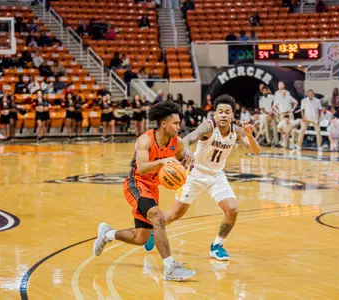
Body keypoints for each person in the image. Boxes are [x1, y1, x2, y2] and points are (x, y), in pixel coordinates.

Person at [143, 94, 261, 261]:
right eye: (220, 111)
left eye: (227, 112)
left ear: (233, 114)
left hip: (216, 175)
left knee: (232, 209)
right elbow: (185, 140)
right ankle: (155, 230)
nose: (224, 115)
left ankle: (217, 246)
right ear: (215, 113)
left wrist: (250, 136)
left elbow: (256, 151)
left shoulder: (237, 131)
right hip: (195, 173)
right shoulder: (208, 127)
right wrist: (189, 153)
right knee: (176, 214)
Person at [92, 101, 196, 281]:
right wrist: (162, 162)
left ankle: (107, 234)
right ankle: (170, 268)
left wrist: (188, 160)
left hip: (153, 188)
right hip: (136, 183)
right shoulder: (145, 139)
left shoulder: (176, 142)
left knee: (140, 238)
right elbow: (141, 168)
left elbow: (183, 152)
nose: (179, 127)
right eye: (175, 123)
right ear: (164, 124)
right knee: (158, 217)